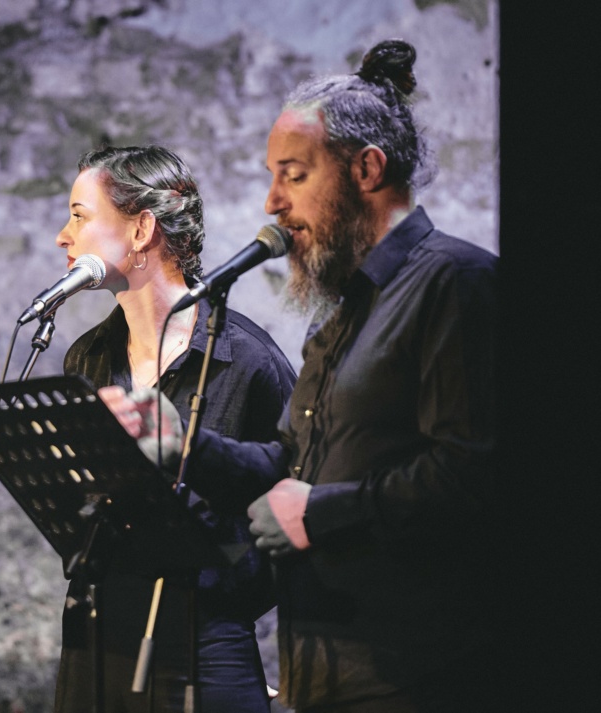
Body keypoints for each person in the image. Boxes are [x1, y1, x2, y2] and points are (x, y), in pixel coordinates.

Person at [102, 40, 499, 713]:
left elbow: (475, 473)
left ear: (366, 168)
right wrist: (181, 446)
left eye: (294, 175)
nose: (272, 202)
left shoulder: (457, 284)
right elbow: (289, 464)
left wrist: (321, 513)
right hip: (328, 676)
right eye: (272, 176)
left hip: (421, 675)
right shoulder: (339, 315)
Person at [52, 145, 297, 712]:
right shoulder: (86, 358)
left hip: (204, 641)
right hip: (98, 633)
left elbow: (297, 498)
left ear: (141, 229)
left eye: (79, 216)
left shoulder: (249, 360)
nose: (63, 237)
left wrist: (227, 606)